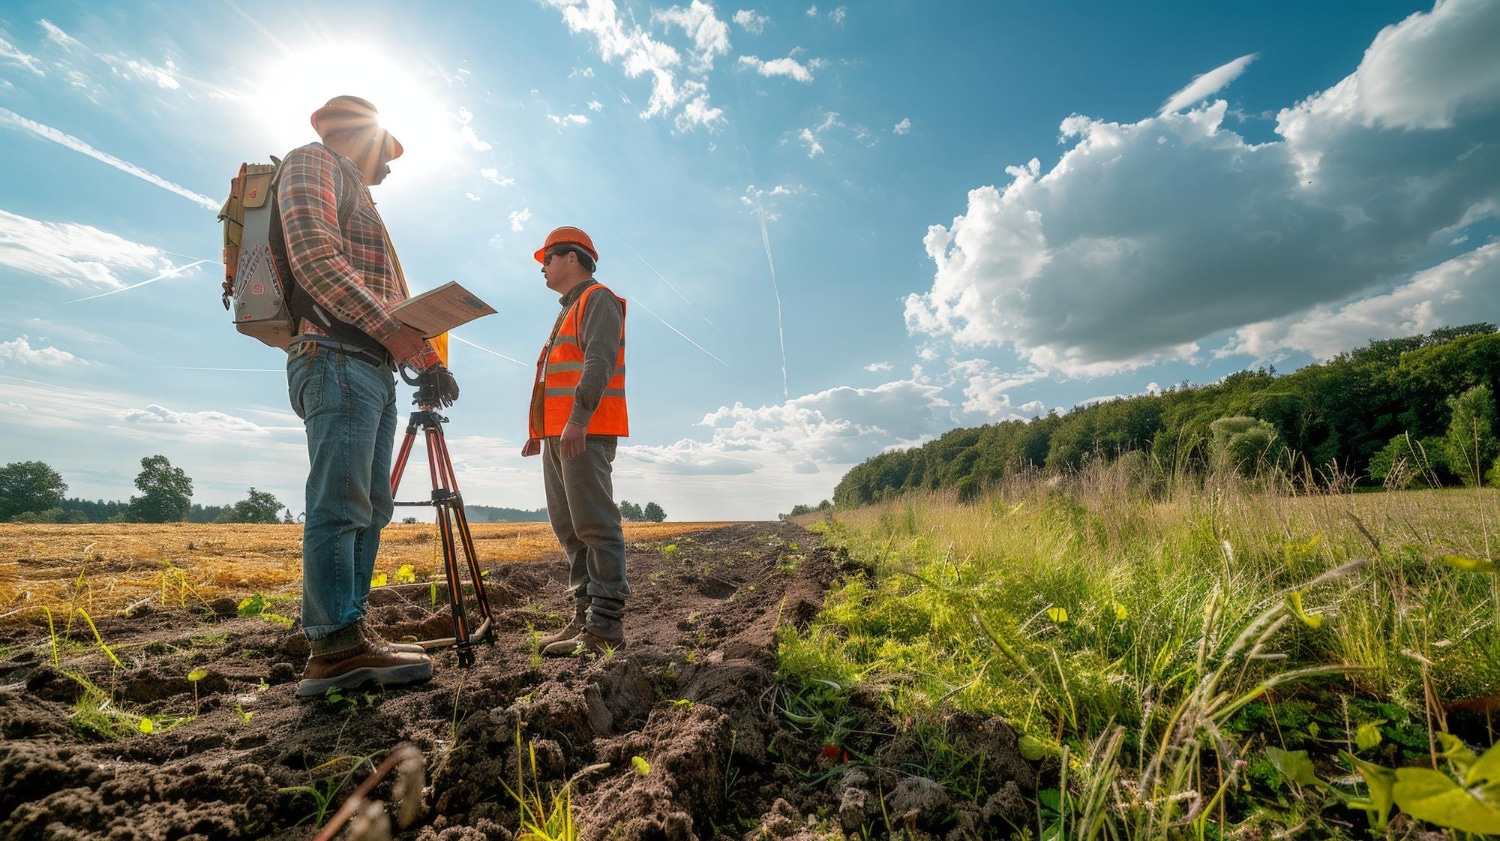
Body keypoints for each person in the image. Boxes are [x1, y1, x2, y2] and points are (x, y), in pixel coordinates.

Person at [280, 95, 459, 697]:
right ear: (358, 137)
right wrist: (394, 336)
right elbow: (316, 261)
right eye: (387, 152)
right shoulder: (313, 163)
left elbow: (387, 298)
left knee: (371, 506)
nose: (391, 167)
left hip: (369, 366)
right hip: (335, 358)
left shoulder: (358, 194)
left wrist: (426, 359)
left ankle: (350, 635)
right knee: (341, 502)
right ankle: (332, 646)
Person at [521, 227, 630, 655]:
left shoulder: (597, 299)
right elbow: (553, 378)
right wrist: (539, 431)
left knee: (595, 526)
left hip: (584, 431)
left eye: (547, 259)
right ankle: (583, 618)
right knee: (569, 529)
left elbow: (598, 363)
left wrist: (578, 420)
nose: (543, 268)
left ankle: (605, 626)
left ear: (572, 258)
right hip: (559, 434)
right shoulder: (566, 310)